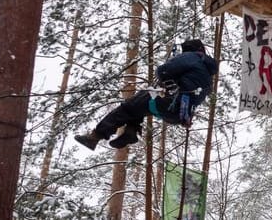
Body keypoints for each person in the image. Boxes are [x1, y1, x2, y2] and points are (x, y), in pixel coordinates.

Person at [75, 39, 218, 150]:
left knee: (127, 108)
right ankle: (130, 132)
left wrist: (167, 74)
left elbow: (163, 70)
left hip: (168, 101)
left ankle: (95, 136)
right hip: (179, 114)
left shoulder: (191, 57)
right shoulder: (207, 75)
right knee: (137, 108)